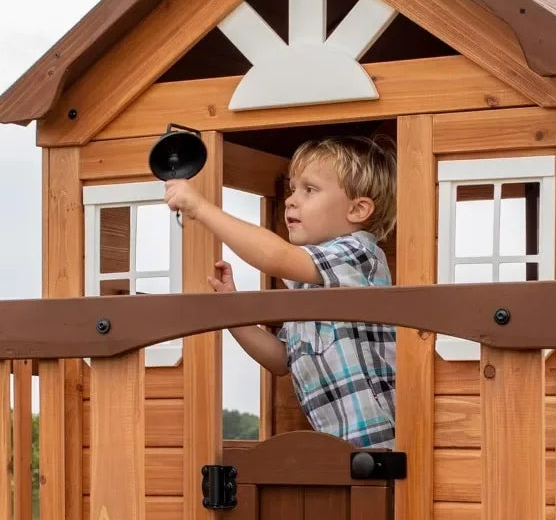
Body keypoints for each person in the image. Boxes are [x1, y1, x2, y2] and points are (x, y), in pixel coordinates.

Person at [164, 135, 397, 449]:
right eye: (292, 189)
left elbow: (275, 257)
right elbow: (280, 359)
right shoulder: (308, 285)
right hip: (341, 448)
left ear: (357, 210)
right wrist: (232, 311)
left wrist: (199, 207)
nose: (291, 200)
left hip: (387, 443)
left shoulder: (359, 255)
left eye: (309, 190)